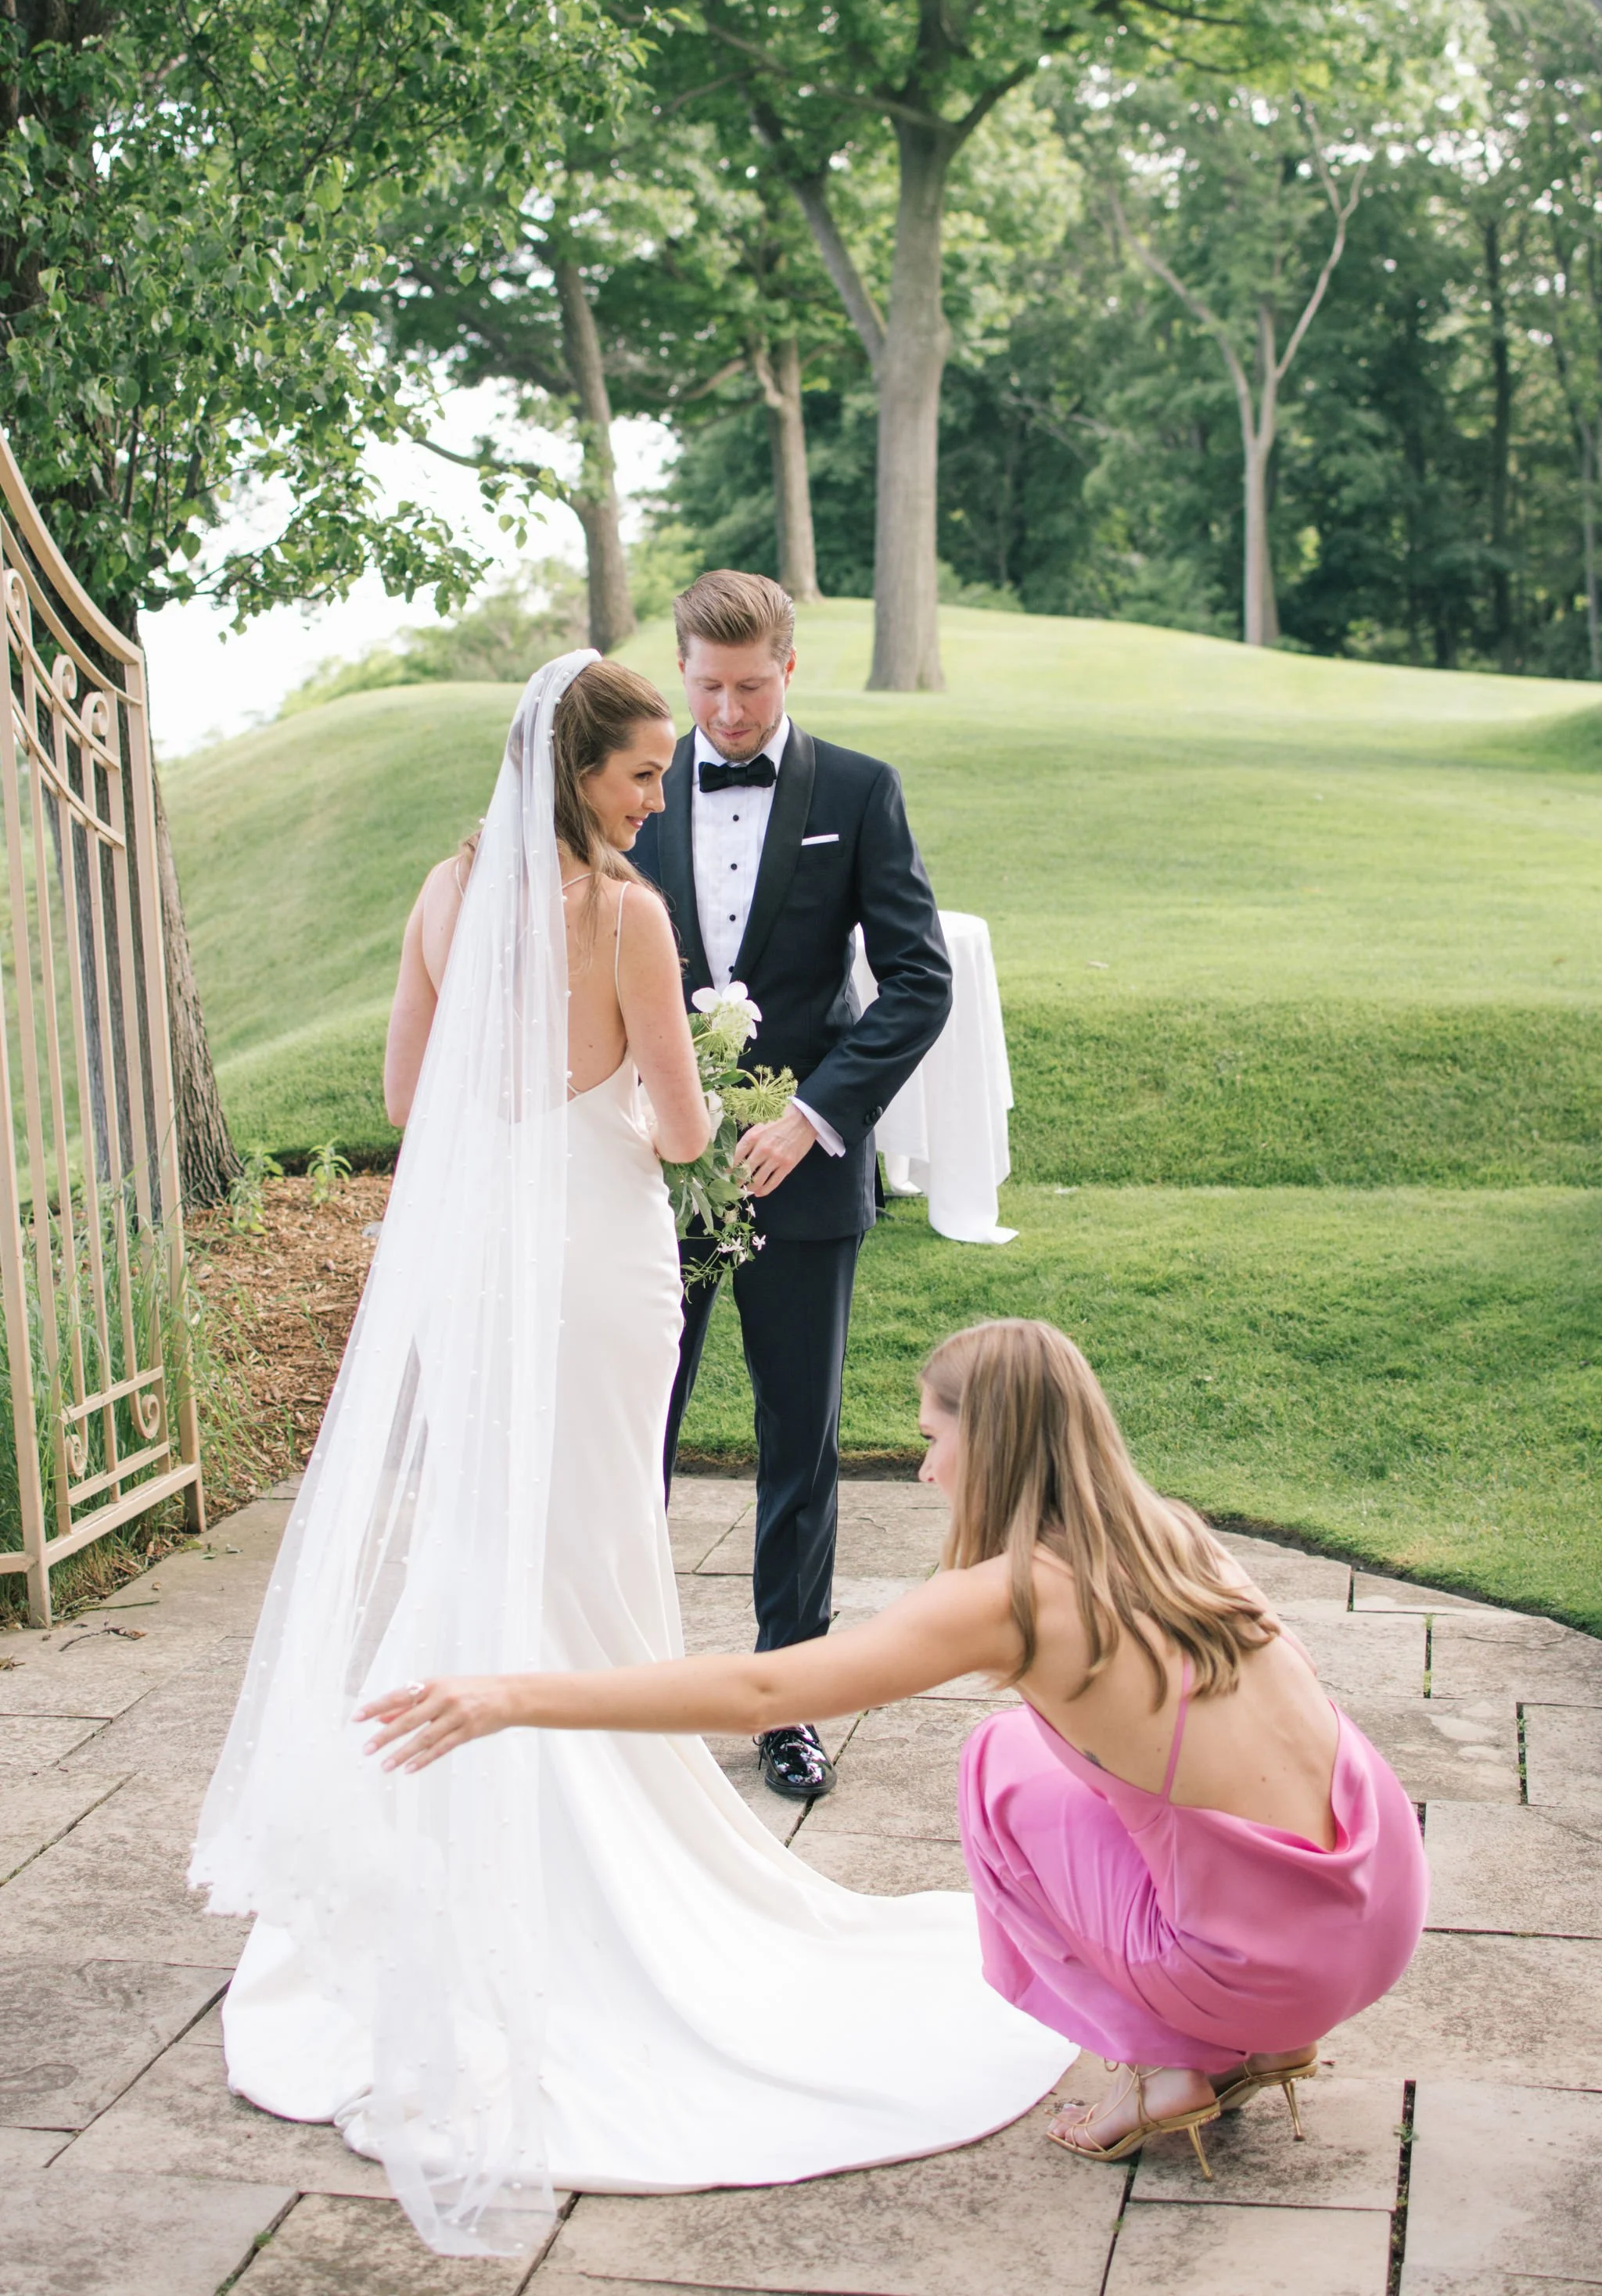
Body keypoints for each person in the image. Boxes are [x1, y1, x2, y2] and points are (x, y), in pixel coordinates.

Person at [191, 653, 1069, 2266]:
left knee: (490, 1536)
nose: (657, 801)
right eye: (639, 777)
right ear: (577, 768)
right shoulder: (622, 917)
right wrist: (706, 1072)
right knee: (595, 1543)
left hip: (477, 1273)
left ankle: (448, 1838)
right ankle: (593, 1863)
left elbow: (407, 1097)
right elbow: (674, 1131)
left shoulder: (444, 892)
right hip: (595, 1268)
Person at [361, 1317, 1430, 2182]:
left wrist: (510, 1694)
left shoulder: (1012, 1599)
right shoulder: (1175, 1532)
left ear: (995, 1441)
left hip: (1270, 1968)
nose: (926, 1470)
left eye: (934, 1437)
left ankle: (1168, 2065)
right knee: (1069, 1753)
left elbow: (764, 1690)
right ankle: (1269, 2032)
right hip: (1380, 1916)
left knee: (997, 1771)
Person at [634, 570, 952, 1802]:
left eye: (751, 687)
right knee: (632, 1436)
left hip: (802, 1181)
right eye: (706, 688)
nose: (727, 713)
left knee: (797, 1443)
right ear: (679, 671)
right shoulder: (631, 790)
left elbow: (917, 980)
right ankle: (627, 1683)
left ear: (791, 667)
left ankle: (790, 1700)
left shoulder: (860, 791)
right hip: (653, 1182)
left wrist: (816, 1118)